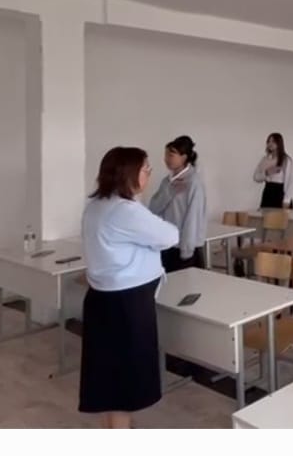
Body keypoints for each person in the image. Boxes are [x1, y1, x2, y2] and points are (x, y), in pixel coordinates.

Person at [79, 147, 179, 429]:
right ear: (129, 173)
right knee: (124, 385)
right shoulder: (126, 211)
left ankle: (112, 429)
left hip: (101, 301)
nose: (149, 174)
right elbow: (170, 235)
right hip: (127, 306)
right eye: (146, 169)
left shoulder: (96, 205)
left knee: (108, 382)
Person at [149, 135, 207, 272]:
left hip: (186, 248)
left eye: (171, 155)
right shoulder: (167, 181)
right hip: (167, 244)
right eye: (165, 155)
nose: (166, 159)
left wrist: (186, 249)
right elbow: (153, 208)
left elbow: (193, 218)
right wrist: (169, 192)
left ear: (184, 157)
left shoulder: (193, 182)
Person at [253, 132, 293, 209]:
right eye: (268, 141)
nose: (270, 144)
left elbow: (289, 182)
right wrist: (266, 173)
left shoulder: (286, 160)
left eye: (273, 141)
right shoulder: (265, 159)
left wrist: (286, 201)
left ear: (279, 143)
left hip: (280, 193)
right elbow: (256, 177)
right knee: (266, 216)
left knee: (280, 216)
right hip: (268, 192)